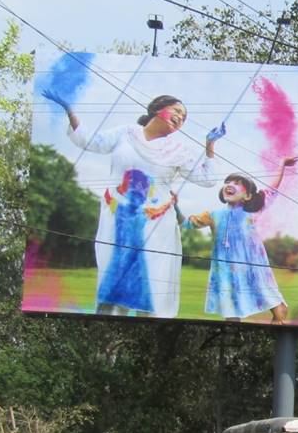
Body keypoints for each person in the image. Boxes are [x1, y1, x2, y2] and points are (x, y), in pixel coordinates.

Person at [42, 90, 225, 318]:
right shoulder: (126, 133)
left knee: (149, 283)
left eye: (184, 117)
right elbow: (89, 140)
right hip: (118, 220)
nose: (180, 117)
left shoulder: (178, 151)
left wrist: (210, 144)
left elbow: (207, 179)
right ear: (158, 108)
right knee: (114, 279)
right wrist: (69, 109)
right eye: (177, 110)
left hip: (156, 228)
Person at [188, 155, 298, 324]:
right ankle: (233, 326)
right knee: (229, 299)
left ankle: (278, 310)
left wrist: (282, 165)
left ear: (247, 196)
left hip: (251, 263)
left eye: (238, 183)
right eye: (228, 182)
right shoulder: (213, 215)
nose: (231, 185)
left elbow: (272, 188)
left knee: (262, 287)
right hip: (225, 266)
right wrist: (171, 208)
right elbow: (188, 223)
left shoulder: (252, 212)